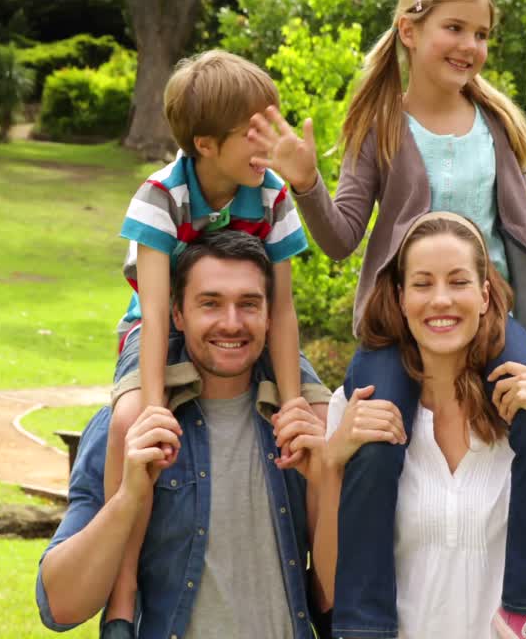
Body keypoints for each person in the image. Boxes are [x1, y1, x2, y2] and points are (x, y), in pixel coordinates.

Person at [246, 0, 526, 637]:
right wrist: (306, 184)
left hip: (491, 320)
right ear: (409, 31)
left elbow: (523, 219)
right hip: (401, 328)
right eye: (455, 28)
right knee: (375, 438)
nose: (470, 45)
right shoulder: (382, 126)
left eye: (481, 34)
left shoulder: (492, 125)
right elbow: (340, 236)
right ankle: (363, 620)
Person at [107, 50, 329, 626]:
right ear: (205, 144)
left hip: (246, 326)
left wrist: (294, 402)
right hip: (160, 325)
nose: (270, 143)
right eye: (254, 133)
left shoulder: (272, 194)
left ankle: (328, 592)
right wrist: (154, 408)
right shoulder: (161, 197)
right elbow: (156, 312)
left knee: (324, 423)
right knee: (130, 424)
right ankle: (122, 592)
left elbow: (282, 309)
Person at [312, 213, 526, 639]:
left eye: (458, 282)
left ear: (484, 296)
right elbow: (333, 585)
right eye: (422, 284)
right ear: (400, 298)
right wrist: (331, 463)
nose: (441, 300)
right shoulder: (358, 409)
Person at [36, 231, 330, 639]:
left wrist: (329, 482)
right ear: (176, 314)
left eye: (248, 304)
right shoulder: (129, 429)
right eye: (210, 303)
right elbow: (60, 606)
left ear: (270, 315)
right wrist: (128, 498)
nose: (231, 323)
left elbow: (337, 600)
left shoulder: (305, 433)